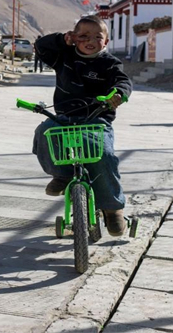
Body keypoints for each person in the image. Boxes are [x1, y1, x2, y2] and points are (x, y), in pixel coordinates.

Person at [32, 15, 132, 236]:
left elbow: (123, 81)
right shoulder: (63, 56)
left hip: (96, 120)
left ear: (105, 42)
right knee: (44, 131)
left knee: (104, 155)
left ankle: (112, 208)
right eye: (84, 36)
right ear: (74, 38)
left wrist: (119, 94)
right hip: (65, 118)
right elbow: (40, 47)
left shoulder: (109, 63)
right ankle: (63, 174)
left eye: (98, 36)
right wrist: (61, 40)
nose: (91, 40)